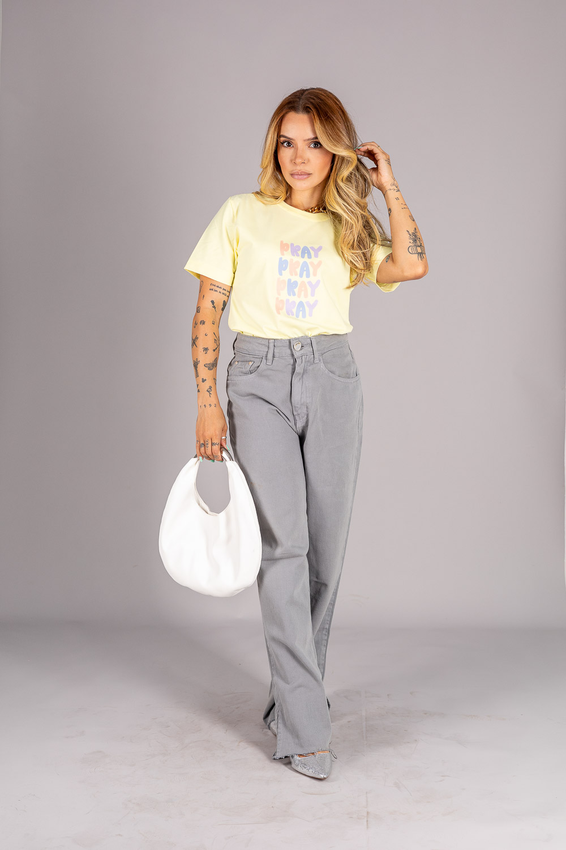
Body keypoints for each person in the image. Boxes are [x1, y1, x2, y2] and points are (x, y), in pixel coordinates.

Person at [183, 87, 428, 780]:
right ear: (274, 148)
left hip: (332, 376)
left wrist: (389, 185)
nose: (299, 156)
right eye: (287, 142)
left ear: (337, 151)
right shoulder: (240, 214)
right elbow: (207, 312)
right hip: (258, 378)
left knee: (326, 552)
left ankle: (293, 697)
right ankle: (304, 726)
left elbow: (411, 263)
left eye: (315, 143)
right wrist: (207, 402)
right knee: (283, 548)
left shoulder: (350, 228)